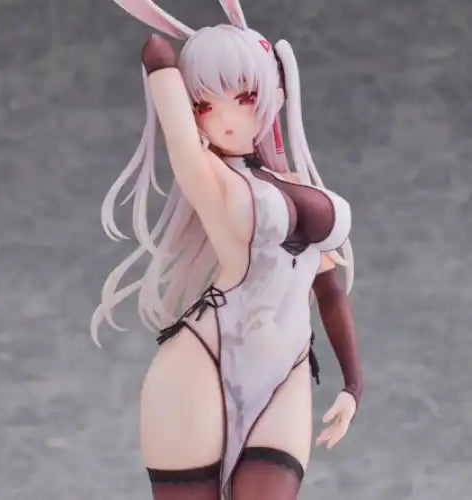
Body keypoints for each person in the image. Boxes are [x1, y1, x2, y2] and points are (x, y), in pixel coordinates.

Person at [91, 1, 363, 499]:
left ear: (274, 92)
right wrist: (180, 62)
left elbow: (329, 291)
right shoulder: (209, 175)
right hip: (205, 358)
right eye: (205, 104)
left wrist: (352, 385)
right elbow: (158, 58)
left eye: (245, 95)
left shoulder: (296, 180)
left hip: (286, 372)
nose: (228, 116)